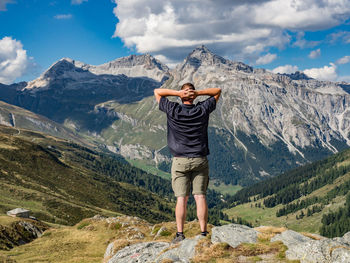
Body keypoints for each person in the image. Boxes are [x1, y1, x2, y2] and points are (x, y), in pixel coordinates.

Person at [154, 82, 221, 243]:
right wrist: (197, 93)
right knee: (200, 197)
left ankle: (180, 234)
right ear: (193, 95)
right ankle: (204, 233)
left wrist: (178, 93)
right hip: (200, 159)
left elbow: (157, 92)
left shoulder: (173, 109)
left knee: (181, 199)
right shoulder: (202, 109)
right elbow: (217, 91)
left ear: (183, 96)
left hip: (180, 161)